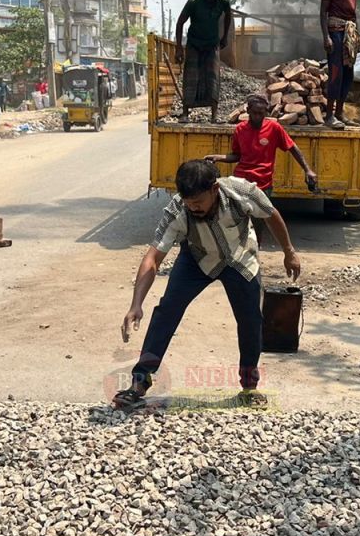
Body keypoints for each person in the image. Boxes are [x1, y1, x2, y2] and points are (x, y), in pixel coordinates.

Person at [113, 160, 301, 411]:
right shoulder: (178, 210)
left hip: (239, 259)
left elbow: (271, 214)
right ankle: (139, 383)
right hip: (197, 260)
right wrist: (136, 304)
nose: (194, 207)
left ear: (214, 189)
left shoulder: (241, 192)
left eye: (198, 202)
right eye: (189, 202)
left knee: (250, 320)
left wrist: (289, 251)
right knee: (167, 310)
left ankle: (248, 386)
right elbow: (152, 258)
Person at [204, 94, 318, 195]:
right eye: (254, 113)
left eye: (261, 113)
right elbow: (237, 156)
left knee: (261, 217)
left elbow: (292, 148)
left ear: (266, 112)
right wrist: (217, 157)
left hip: (263, 184)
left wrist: (307, 170)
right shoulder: (240, 129)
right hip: (241, 181)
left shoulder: (274, 128)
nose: (257, 117)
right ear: (248, 110)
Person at [175, 0, 235, 124]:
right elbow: (180, 22)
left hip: (212, 44)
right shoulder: (193, 2)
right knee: (191, 76)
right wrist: (179, 48)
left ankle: (214, 115)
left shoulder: (223, 2)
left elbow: (228, 16)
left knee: (213, 77)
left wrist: (225, 37)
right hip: (194, 43)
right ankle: (185, 113)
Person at [320, 0, 360, 130]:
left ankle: (339, 113)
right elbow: (323, 12)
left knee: (348, 75)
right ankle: (329, 116)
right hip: (335, 31)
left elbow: (353, 13)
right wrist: (326, 37)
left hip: (349, 33)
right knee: (336, 74)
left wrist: (356, 37)